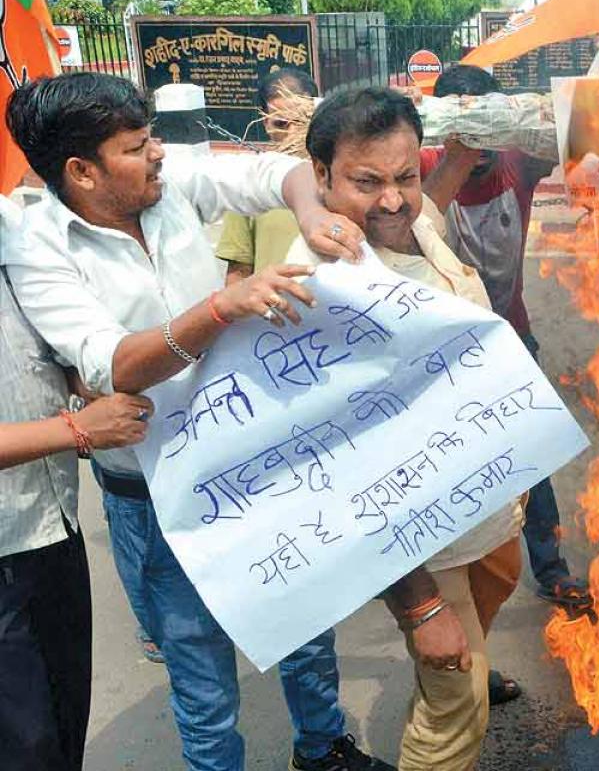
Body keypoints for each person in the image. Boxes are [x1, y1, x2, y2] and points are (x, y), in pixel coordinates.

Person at [4, 72, 389, 771]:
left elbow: (279, 171)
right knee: (198, 662)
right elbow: (114, 365)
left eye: (151, 137)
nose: (157, 153)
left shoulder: (164, 179)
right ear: (81, 171)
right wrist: (225, 306)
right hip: (156, 490)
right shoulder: (35, 242)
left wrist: (308, 213)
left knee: (304, 614)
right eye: (135, 145)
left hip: (255, 457)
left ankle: (324, 748)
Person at [284, 86, 525, 771]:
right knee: (457, 706)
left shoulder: (417, 226)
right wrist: (420, 609)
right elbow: (351, 473)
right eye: (366, 182)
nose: (392, 200)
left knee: (470, 652)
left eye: (405, 177)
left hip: (489, 514)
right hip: (425, 538)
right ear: (322, 176)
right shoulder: (325, 289)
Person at [417, 64, 589, 705]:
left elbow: (576, 129)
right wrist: (458, 147)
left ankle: (552, 569)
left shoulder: (518, 162)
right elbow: (419, 211)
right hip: (441, 351)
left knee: (533, 454)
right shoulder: (431, 164)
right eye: (470, 119)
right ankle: (443, 604)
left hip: (509, 333)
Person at [0, 194, 155, 771]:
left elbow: (40, 337)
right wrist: (76, 429)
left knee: (64, 720)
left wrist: (80, 374)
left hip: (51, 524)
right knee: (23, 743)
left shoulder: (12, 225)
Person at [217, 68, 319, 281]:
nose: (291, 133)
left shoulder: (338, 175)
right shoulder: (247, 183)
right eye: (281, 124)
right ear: (265, 123)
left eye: (300, 121)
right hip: (273, 310)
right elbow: (238, 270)